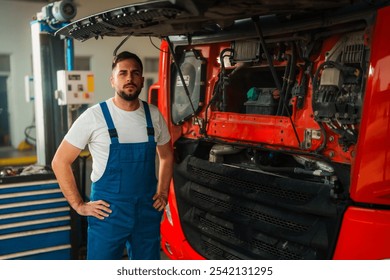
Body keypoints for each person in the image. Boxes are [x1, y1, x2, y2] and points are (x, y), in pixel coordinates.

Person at [51, 51, 173, 260]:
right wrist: (79, 205)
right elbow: (60, 161)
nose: (129, 78)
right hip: (108, 214)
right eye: (122, 73)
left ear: (142, 80)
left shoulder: (153, 115)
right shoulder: (94, 116)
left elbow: (167, 156)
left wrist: (162, 193)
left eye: (135, 73)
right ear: (112, 80)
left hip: (146, 212)